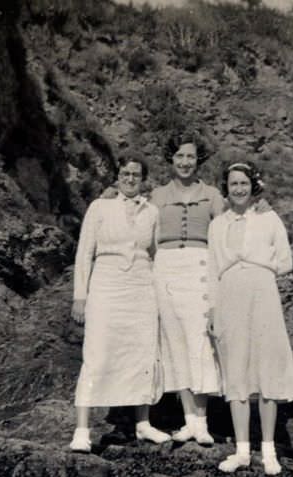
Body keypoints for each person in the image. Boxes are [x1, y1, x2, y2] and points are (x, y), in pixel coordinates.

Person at [69, 154, 171, 453]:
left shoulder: (152, 212)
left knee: (142, 354)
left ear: (142, 179)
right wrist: (80, 296)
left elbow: (157, 255)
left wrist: (161, 296)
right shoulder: (99, 208)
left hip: (141, 289)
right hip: (106, 285)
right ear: (117, 176)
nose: (130, 179)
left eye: (136, 175)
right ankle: (82, 430)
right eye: (125, 174)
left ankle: (142, 424)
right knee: (97, 354)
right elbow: (84, 252)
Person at [207, 162, 293, 475]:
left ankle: (269, 450)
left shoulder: (268, 218)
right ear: (226, 188)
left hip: (263, 294)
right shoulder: (217, 224)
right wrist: (212, 309)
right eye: (233, 184)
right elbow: (211, 271)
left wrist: (259, 264)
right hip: (230, 294)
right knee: (237, 371)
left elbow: (285, 261)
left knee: (266, 370)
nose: (239, 189)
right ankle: (242, 451)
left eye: (244, 183)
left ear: (253, 185)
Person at [151, 130, 225, 446]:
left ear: (199, 160)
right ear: (171, 159)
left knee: (200, 342)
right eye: (179, 156)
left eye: (191, 157)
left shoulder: (212, 195)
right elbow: (149, 240)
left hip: (200, 267)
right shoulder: (156, 196)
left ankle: (203, 422)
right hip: (166, 268)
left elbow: (224, 237)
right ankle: (188, 421)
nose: (185, 162)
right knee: (174, 342)